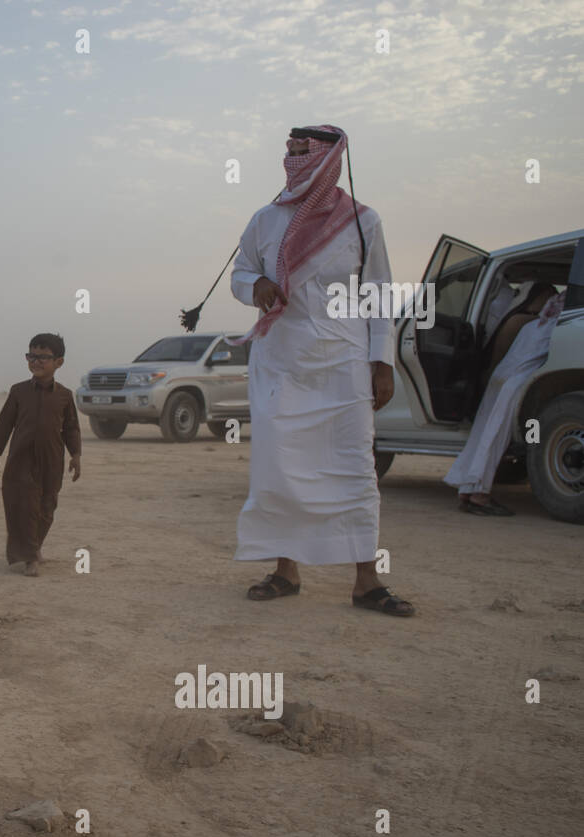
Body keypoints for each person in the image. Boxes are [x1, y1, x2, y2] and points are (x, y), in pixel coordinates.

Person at [230, 124, 415, 616]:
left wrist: (382, 363)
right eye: (287, 152)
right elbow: (240, 272)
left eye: (302, 152)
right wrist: (258, 286)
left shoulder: (362, 221)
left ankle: (366, 582)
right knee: (281, 467)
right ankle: (284, 571)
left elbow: (378, 294)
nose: (292, 160)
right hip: (281, 366)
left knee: (353, 467)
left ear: (328, 159)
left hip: (343, 363)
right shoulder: (265, 220)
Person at [445, 288, 564, 515]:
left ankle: (466, 490)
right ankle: (479, 495)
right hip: (514, 384)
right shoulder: (556, 328)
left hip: (499, 380)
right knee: (494, 438)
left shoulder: (527, 327)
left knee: (481, 434)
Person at [0, 334, 82, 576]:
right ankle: (30, 557)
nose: (36, 361)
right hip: (21, 458)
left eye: (43, 357)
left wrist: (76, 455)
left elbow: (71, 427)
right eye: (31, 356)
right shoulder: (18, 391)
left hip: (51, 460)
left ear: (58, 362)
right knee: (25, 506)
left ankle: (35, 547)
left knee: (47, 507)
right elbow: (4, 423)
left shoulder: (64, 395)